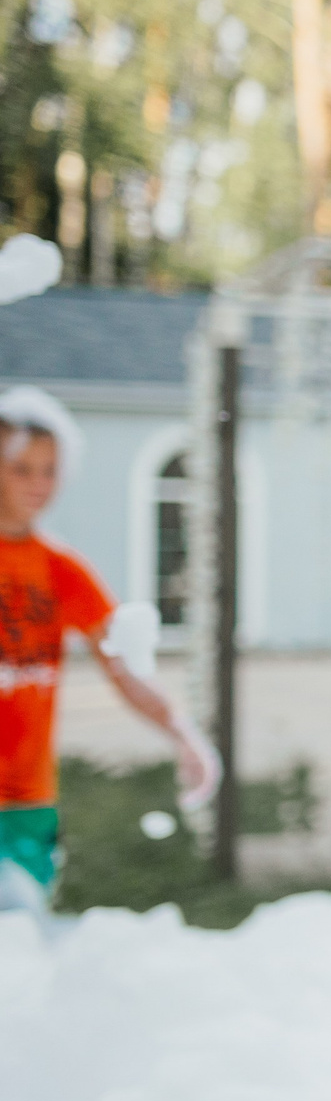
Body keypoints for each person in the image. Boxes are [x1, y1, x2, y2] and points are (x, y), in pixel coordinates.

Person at [0, 387, 219, 916]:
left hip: (28, 801)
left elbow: (123, 667)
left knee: (19, 940)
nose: (38, 484)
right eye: (22, 469)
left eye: (50, 470)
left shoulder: (60, 570)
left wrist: (182, 732)